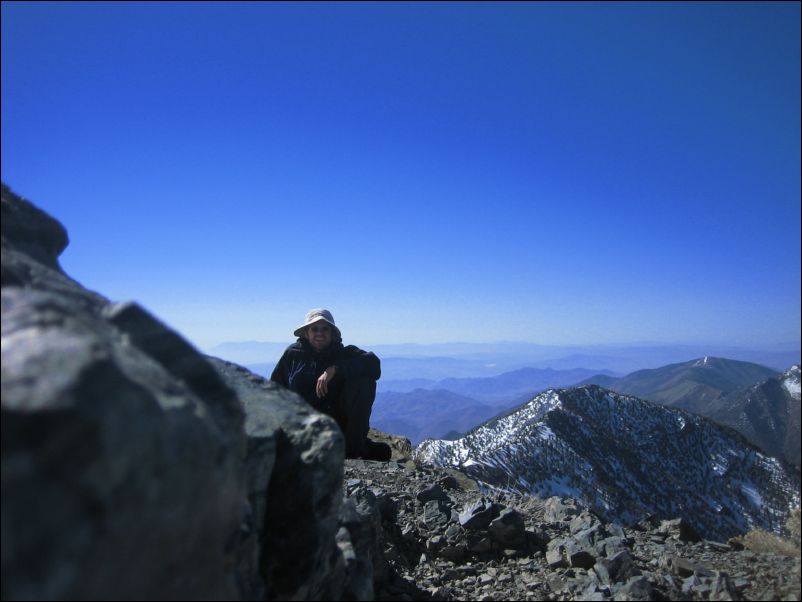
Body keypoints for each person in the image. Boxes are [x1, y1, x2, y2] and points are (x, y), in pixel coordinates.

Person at [270, 308, 391, 461]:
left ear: (332, 333)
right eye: (314, 329)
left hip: (336, 426)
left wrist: (335, 369)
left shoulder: (344, 354)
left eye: (325, 329)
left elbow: (373, 364)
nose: (320, 333)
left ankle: (353, 449)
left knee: (363, 380)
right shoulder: (293, 355)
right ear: (306, 333)